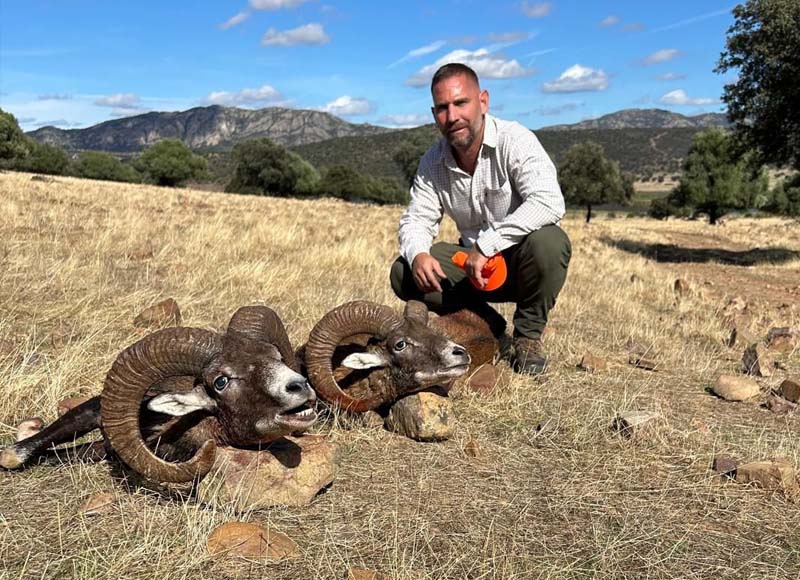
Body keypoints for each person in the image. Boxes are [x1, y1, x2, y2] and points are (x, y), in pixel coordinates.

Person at [390, 62, 572, 374]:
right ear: (435, 115)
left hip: (517, 262)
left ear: (483, 101)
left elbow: (549, 201)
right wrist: (418, 253)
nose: (453, 116)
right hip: (470, 269)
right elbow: (417, 218)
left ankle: (527, 338)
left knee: (550, 242)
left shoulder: (515, 141)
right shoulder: (433, 162)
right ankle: (486, 321)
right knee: (403, 271)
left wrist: (489, 244)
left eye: (461, 103)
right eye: (443, 108)